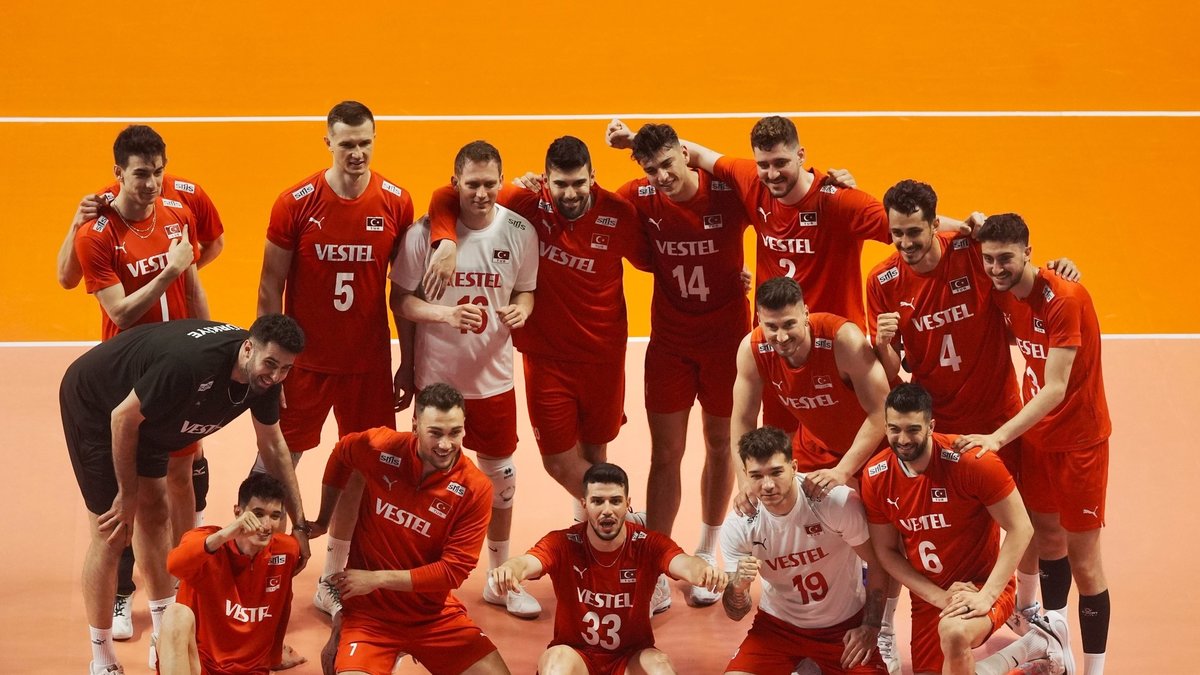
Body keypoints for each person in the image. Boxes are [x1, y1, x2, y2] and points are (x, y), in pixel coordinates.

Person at [60, 315, 311, 675]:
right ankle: (102, 659)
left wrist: (300, 524)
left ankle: (164, 634)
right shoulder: (189, 366)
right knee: (113, 532)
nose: (275, 376)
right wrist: (126, 494)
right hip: (99, 406)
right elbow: (122, 418)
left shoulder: (265, 380)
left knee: (156, 513)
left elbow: (273, 446)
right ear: (247, 348)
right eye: (271, 364)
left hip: (152, 413)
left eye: (286, 369)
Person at [424, 137, 650, 510]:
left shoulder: (619, 214)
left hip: (603, 357)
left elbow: (656, 259)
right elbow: (449, 194)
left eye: (579, 183)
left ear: (593, 176)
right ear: (545, 180)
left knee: (595, 453)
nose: (570, 194)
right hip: (546, 358)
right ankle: (627, 522)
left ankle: (591, 534)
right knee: (558, 462)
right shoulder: (526, 202)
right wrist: (446, 241)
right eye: (560, 184)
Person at [255, 100, 414, 610]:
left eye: (365, 142)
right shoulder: (295, 203)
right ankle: (261, 566)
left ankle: (332, 577)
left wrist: (408, 360)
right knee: (275, 463)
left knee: (363, 470)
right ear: (328, 143)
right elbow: (270, 286)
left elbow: (402, 291)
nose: (357, 153)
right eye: (347, 144)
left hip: (366, 365)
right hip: (303, 366)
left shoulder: (396, 202)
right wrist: (268, 364)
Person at [62, 124, 217, 643]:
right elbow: (121, 313)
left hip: (180, 375)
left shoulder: (177, 215)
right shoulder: (98, 231)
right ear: (118, 174)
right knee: (129, 500)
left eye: (158, 173)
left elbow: (194, 289)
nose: (152, 184)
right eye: (141, 174)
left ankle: (185, 587)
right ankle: (125, 595)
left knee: (180, 480)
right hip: (130, 377)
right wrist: (169, 271)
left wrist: (213, 350)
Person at [602, 122, 751, 609]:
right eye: (651, 169)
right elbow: (588, 204)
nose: (662, 176)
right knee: (665, 454)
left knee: (720, 444)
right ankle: (659, 563)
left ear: (686, 155)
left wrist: (832, 178)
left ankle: (706, 552)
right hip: (670, 344)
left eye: (668, 164)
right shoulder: (639, 197)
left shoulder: (726, 193)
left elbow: (780, 199)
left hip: (727, 344)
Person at [391, 140, 541, 618]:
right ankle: (421, 579)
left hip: (493, 380)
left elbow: (526, 290)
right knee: (427, 479)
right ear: (454, 183)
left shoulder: (520, 231)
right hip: (438, 381)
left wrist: (522, 309)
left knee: (502, 480)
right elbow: (401, 301)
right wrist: (445, 314)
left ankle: (500, 580)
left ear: (502, 181)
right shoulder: (423, 235)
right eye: (472, 184)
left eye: (489, 184)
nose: (481, 193)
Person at [957, 214, 1111, 675]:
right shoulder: (1003, 293)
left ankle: (1094, 669)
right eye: (988, 259)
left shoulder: (1064, 298)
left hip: (1079, 443)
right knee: (1046, 538)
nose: (995, 268)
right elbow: (936, 231)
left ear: (1028, 252)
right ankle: (1050, 636)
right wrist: (969, 222)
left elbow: (1055, 388)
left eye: (1006, 258)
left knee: (1085, 562)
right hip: (1038, 440)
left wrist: (999, 436)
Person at [860, 383, 1074, 675]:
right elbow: (886, 552)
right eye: (894, 429)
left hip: (981, 586)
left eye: (913, 429)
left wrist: (986, 595)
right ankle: (1032, 650)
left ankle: (1029, 647)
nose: (903, 439)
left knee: (955, 633)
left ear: (931, 426)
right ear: (885, 427)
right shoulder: (876, 476)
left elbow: (1022, 527)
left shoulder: (971, 462)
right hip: (929, 597)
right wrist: (938, 596)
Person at [311, 383, 510, 675]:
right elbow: (342, 453)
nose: (445, 445)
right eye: (435, 433)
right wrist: (322, 519)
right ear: (415, 425)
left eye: (455, 432)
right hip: (370, 618)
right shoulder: (381, 447)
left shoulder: (475, 488)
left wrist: (376, 579)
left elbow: (452, 572)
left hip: (434, 617)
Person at [490, 462, 726, 674]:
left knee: (660, 666)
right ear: (584, 504)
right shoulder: (562, 543)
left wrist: (704, 572)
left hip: (630, 657)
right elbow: (526, 563)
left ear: (627, 505)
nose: (607, 510)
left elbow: (685, 563)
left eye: (615, 501)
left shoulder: (648, 543)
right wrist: (509, 570)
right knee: (556, 662)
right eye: (597, 501)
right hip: (577, 656)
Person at [720, 426, 889, 674]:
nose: (768, 485)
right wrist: (737, 587)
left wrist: (872, 627)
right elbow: (736, 612)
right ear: (745, 475)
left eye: (776, 472)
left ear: (794, 467)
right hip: (777, 629)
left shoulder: (835, 502)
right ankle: (806, 664)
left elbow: (878, 563)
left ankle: (810, 665)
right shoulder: (739, 524)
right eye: (756, 476)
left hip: (843, 628)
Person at [157, 473, 305, 674]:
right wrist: (224, 535)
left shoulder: (287, 551)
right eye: (258, 514)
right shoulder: (206, 542)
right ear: (238, 512)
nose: (266, 525)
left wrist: (275, 656)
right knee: (175, 615)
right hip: (202, 667)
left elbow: (283, 605)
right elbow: (174, 566)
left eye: (275, 516)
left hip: (252, 670)